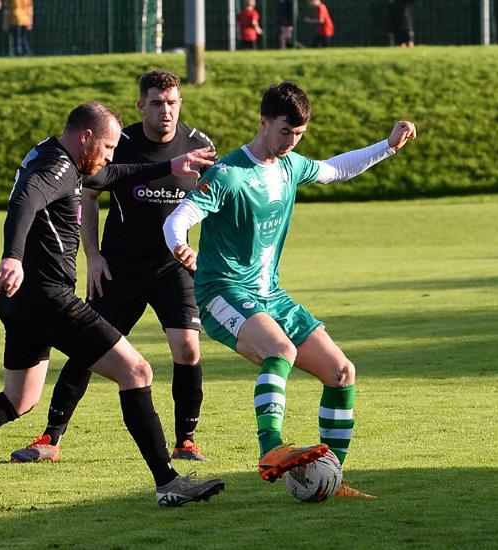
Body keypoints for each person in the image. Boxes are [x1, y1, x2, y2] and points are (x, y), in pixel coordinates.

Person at [0, 102, 225, 511]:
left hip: (20, 302)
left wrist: (170, 165)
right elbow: (25, 201)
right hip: (47, 297)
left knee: (18, 400)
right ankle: (168, 482)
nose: (111, 155)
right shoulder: (55, 167)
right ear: (85, 137)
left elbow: (109, 176)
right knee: (137, 371)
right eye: (108, 146)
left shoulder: (60, 157)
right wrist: (12, 256)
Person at [163, 82, 416, 498]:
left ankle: (331, 478)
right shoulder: (229, 174)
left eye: (299, 134)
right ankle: (271, 448)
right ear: (263, 122)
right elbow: (178, 217)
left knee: (342, 372)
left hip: (270, 295)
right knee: (280, 350)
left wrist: (387, 147)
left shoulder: (290, 165)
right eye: (285, 131)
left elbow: (334, 169)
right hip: (222, 291)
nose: (291, 141)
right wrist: (179, 245)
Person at [10, 70, 216, 464]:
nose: (166, 110)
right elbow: (87, 193)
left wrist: (201, 252)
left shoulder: (199, 145)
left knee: (188, 348)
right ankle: (50, 438)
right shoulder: (121, 143)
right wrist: (93, 254)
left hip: (173, 267)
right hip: (120, 267)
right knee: (88, 348)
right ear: (141, 105)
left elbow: (216, 199)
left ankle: (186, 442)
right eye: (157, 103)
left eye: (172, 102)